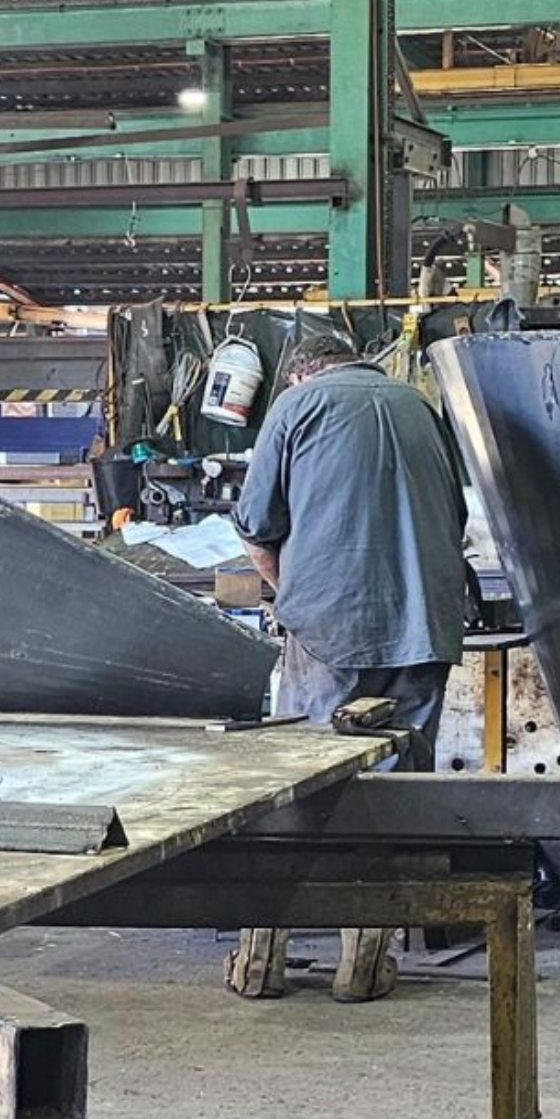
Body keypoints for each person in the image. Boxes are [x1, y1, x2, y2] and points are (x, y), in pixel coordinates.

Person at [227, 333, 469, 1002]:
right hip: (423, 624)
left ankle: (261, 963)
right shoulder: (420, 406)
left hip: (329, 627)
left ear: (299, 372)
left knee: (305, 786)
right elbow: (457, 514)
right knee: (395, 792)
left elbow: (254, 523)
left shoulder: (297, 406)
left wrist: (288, 594)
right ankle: (362, 963)